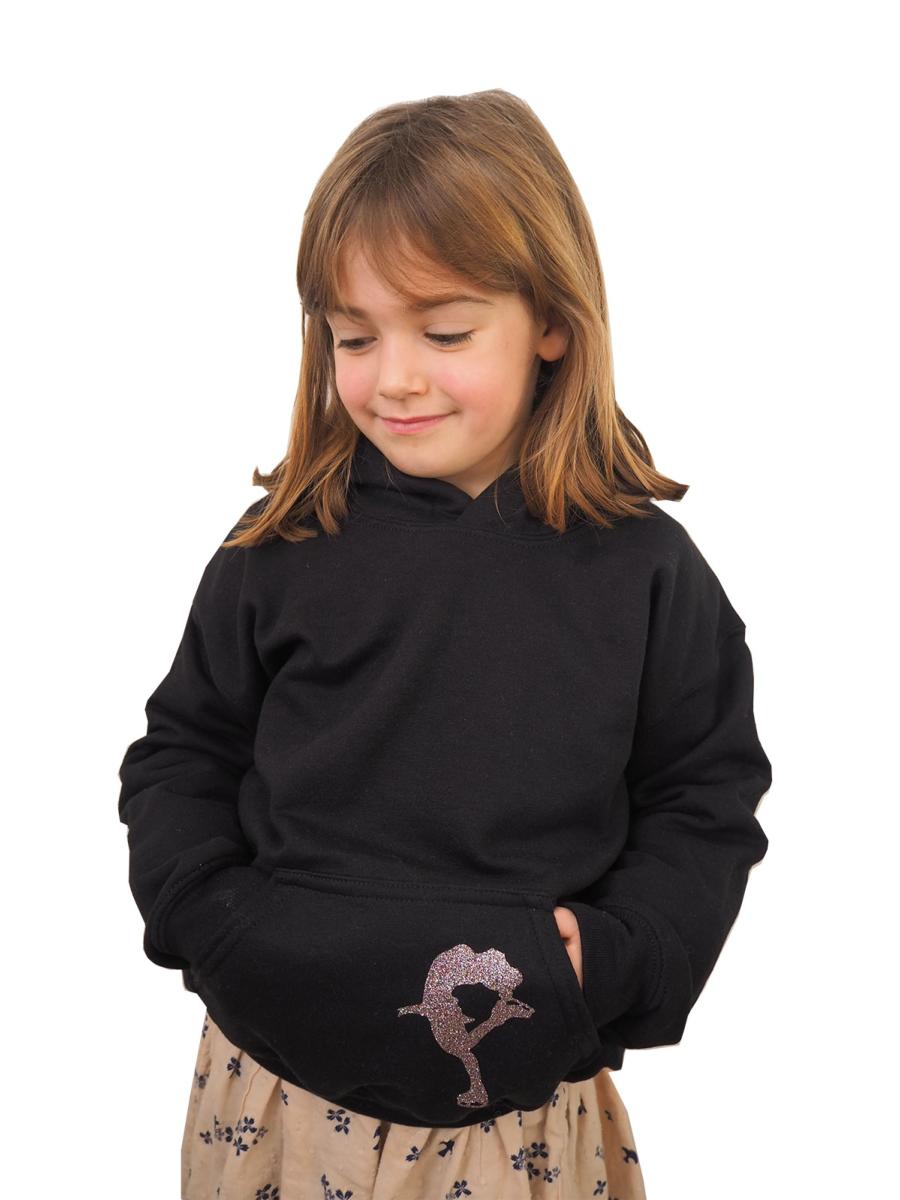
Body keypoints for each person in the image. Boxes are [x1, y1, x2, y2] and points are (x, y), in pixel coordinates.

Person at [117, 88, 773, 1200]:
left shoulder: (646, 573)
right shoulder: (279, 546)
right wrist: (210, 921)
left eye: (446, 331)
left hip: (518, 1108)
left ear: (552, 321)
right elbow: (183, 751)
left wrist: (609, 960)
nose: (395, 378)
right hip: (272, 1096)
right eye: (354, 336)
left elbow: (702, 795)